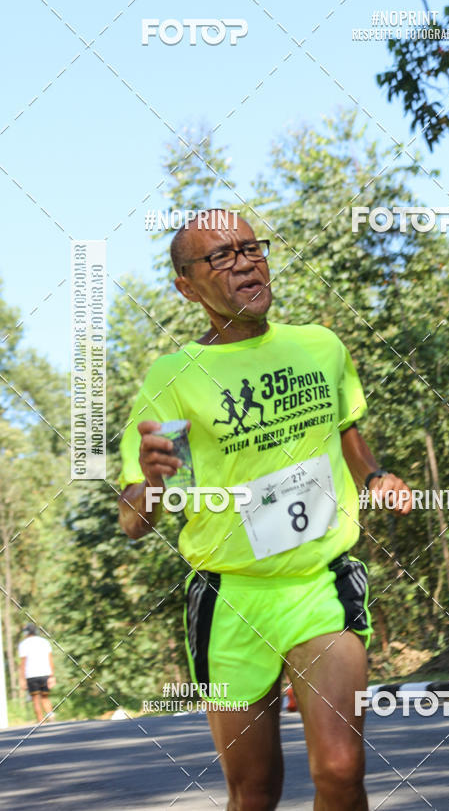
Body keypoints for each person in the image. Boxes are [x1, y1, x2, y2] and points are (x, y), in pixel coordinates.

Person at [118, 210, 412, 810]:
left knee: (342, 770)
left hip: (319, 584)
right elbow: (134, 521)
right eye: (221, 256)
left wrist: (375, 475)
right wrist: (151, 481)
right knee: (254, 791)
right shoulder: (173, 380)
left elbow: (345, 429)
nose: (246, 263)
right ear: (186, 286)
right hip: (230, 599)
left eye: (251, 248)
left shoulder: (319, 347)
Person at [18, 623, 55, 723]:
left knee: (35, 698)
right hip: (45, 673)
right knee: (45, 697)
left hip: (31, 675)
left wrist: (22, 679)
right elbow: (50, 660)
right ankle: (50, 716)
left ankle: (40, 721)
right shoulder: (44, 642)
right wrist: (52, 676)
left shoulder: (23, 644)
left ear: (26, 632)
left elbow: (23, 663)